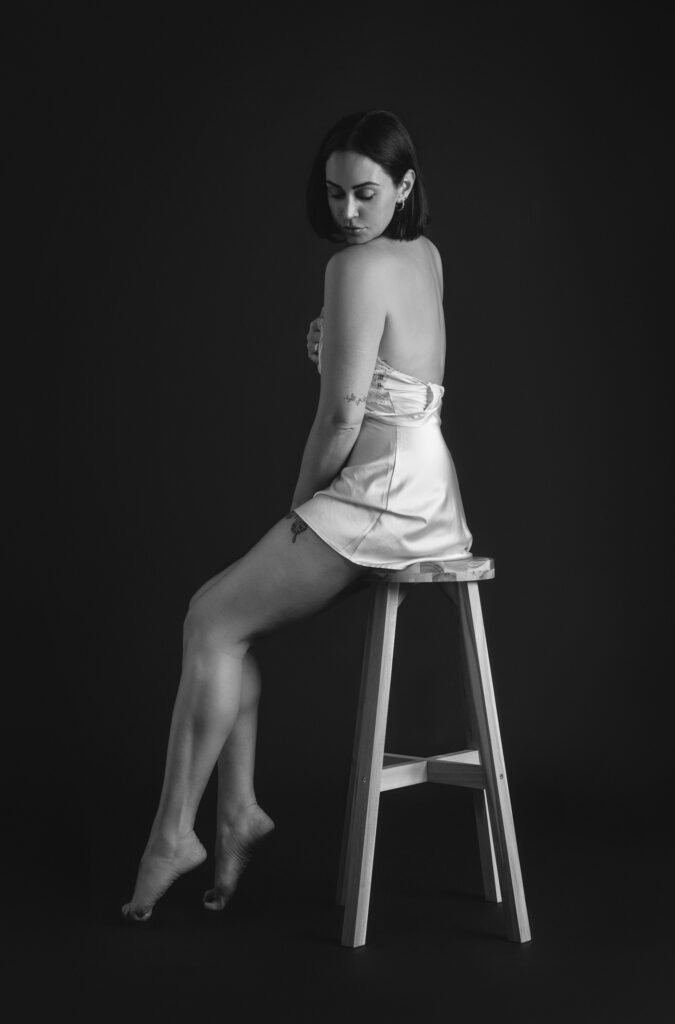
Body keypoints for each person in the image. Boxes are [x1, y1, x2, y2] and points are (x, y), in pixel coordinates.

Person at [121, 109, 473, 922]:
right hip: (429, 487)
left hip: (381, 494)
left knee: (209, 620)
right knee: (227, 623)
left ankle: (177, 832)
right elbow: (402, 374)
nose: (348, 212)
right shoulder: (425, 255)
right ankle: (236, 811)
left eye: (365, 194)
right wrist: (335, 346)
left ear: (405, 187)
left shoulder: (352, 270)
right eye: (334, 194)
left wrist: (299, 509)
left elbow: (343, 417)